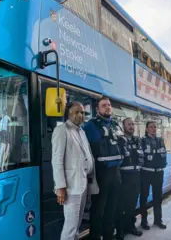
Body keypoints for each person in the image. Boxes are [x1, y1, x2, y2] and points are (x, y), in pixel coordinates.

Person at [51, 102, 99, 240]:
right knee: (71, 226)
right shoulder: (62, 130)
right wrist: (60, 186)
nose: (80, 115)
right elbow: (57, 160)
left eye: (83, 113)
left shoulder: (82, 131)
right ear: (69, 113)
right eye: (77, 112)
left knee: (77, 224)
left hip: (82, 184)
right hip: (70, 187)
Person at [83, 97, 124, 240]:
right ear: (97, 109)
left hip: (116, 173)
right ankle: (95, 236)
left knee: (112, 208)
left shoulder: (115, 125)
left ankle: (108, 235)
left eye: (109, 105)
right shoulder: (90, 126)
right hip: (101, 173)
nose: (107, 107)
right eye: (104, 105)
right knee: (98, 209)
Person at [115, 118, 144, 239]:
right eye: (129, 124)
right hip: (124, 177)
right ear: (123, 126)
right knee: (121, 205)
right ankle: (120, 231)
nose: (131, 126)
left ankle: (131, 226)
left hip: (136, 176)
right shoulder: (119, 140)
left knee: (132, 205)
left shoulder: (138, 140)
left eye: (133, 124)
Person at [139, 121, 167, 230]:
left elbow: (163, 154)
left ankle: (158, 220)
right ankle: (144, 221)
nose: (153, 129)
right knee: (144, 197)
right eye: (151, 127)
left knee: (158, 198)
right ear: (146, 129)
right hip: (146, 172)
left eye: (155, 127)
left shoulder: (160, 140)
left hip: (158, 173)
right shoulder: (142, 141)